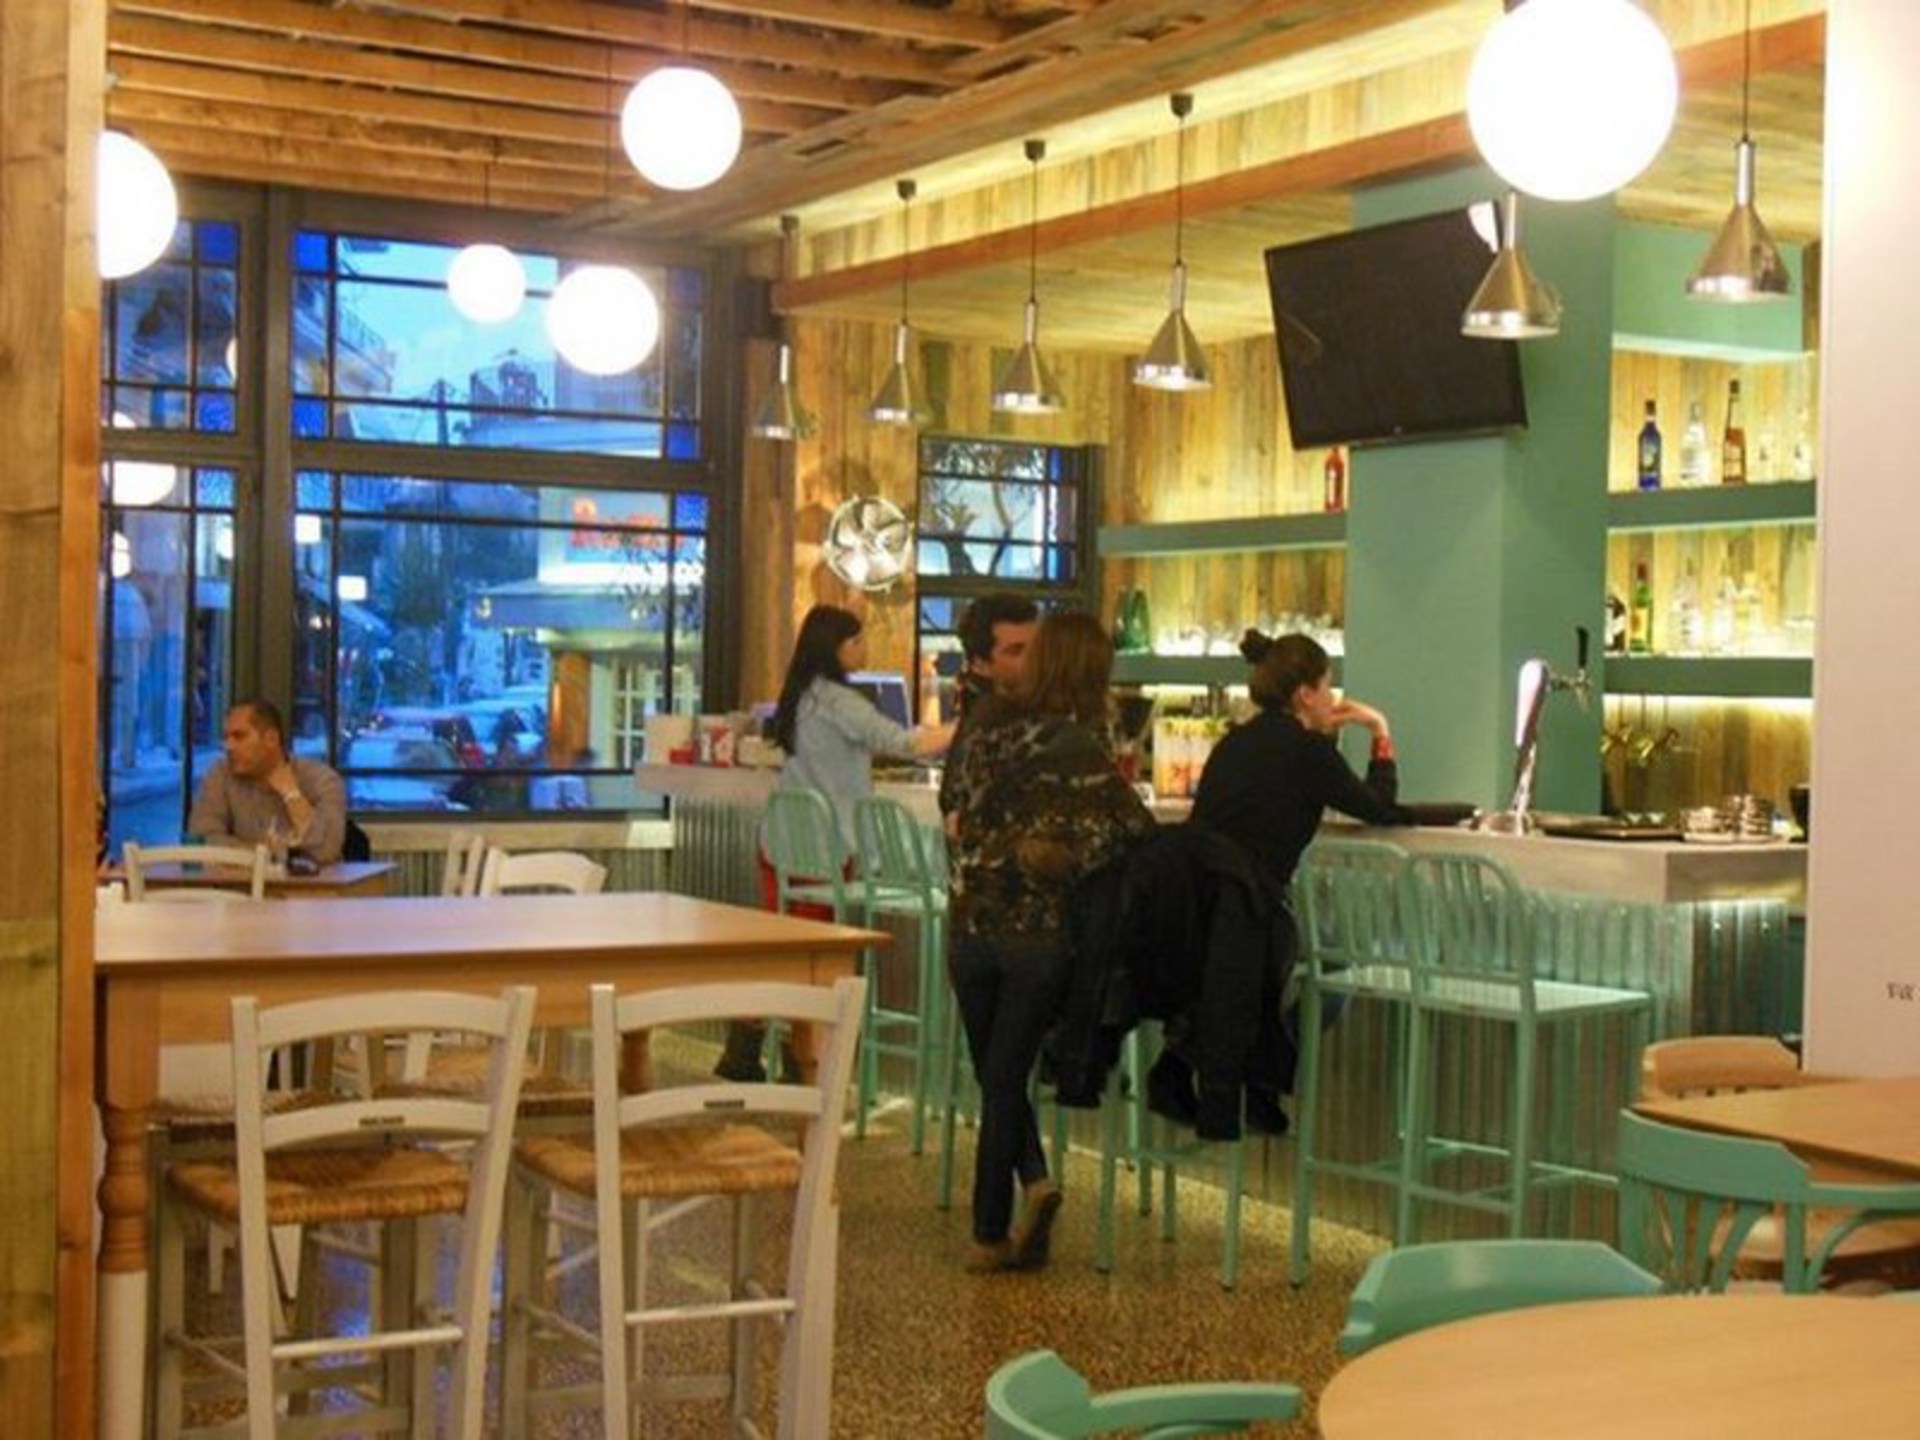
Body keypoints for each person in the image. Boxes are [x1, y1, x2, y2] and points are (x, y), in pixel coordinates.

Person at [946, 611, 1155, 1272]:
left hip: (970, 920)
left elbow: (953, 804)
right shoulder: (1080, 746)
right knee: (1006, 1074)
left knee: (995, 1072)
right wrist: (1062, 855)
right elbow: (1131, 830)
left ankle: (1025, 1193)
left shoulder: (983, 729)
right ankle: (992, 1228)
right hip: (1037, 933)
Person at [1158, 629, 1411, 1132]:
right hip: (1253, 909)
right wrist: (1380, 732)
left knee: (1279, 963)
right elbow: (1379, 808)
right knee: (1336, 965)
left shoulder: (1237, 741)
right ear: (1305, 694)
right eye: (1327, 686)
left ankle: (1203, 1067)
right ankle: (1263, 1080)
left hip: (1197, 908)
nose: (1333, 698)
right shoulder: (1306, 751)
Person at [714, 604, 954, 1083]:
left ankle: (748, 1051)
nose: (865, 648)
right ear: (836, 647)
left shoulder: (800, 694)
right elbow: (904, 743)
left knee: (782, 953)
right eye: (857, 640)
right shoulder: (840, 701)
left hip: (782, 842)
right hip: (823, 850)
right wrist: (968, 725)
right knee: (811, 961)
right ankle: (804, 1064)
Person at [188, 698, 349, 865]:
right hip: (240, 880)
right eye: (226, 738)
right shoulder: (220, 775)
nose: (228, 746)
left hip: (311, 882)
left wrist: (291, 794)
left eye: (239, 736)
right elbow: (200, 841)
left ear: (271, 739)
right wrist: (266, 853)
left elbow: (327, 850)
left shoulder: (323, 780)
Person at [936, 593, 1039, 827]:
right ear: (980, 664)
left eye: (1038, 648)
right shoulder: (990, 723)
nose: (1034, 660)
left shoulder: (1038, 712)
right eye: (1016, 651)